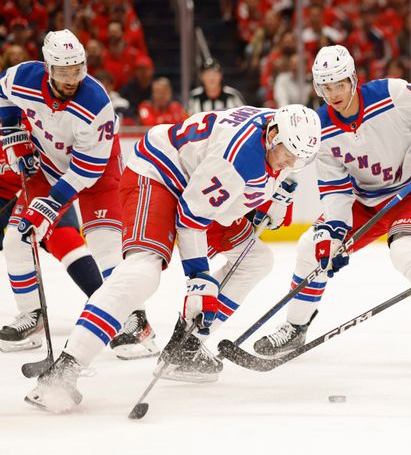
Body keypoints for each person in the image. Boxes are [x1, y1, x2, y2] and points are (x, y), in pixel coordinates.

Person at [25, 104, 322, 412]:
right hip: (160, 175)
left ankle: (185, 349)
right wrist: (199, 281)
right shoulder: (239, 158)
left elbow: (239, 185)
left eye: (299, 158)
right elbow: (192, 217)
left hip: (199, 186)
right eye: (287, 152)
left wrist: (270, 196)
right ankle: (64, 368)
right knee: (143, 271)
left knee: (257, 260)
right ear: (272, 135)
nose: (291, 161)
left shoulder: (283, 129)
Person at [253, 45, 411, 376]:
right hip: (362, 201)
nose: (333, 94)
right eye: (325, 87)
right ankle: (296, 328)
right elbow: (335, 188)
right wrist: (335, 234)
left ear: (353, 80)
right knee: (309, 248)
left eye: (339, 85)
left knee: (408, 251)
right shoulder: (320, 128)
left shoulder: (390, 94)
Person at [0, 30, 125, 354]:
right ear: (49, 68)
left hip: (96, 172)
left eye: (77, 69)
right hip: (48, 166)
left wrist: (51, 204)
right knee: (16, 238)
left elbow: (87, 169)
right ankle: (32, 316)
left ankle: (130, 322)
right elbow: (2, 92)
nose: (72, 79)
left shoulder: (95, 103)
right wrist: (12, 130)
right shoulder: (24, 77)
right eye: (64, 71)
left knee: (105, 247)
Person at [0, 159, 104, 352]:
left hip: (42, 187)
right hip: (4, 194)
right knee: (14, 244)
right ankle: (31, 313)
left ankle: (110, 308)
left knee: (65, 239)